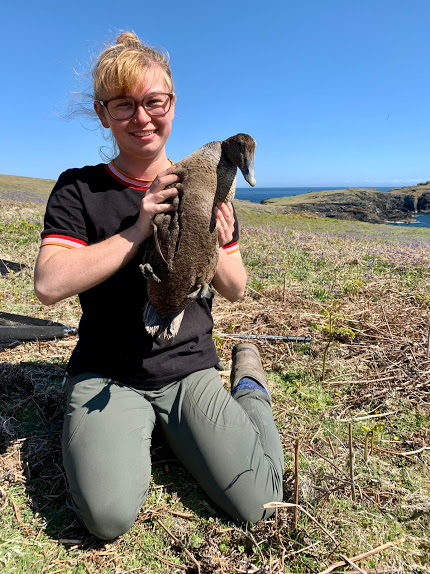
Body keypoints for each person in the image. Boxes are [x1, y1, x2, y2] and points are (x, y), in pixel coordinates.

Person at [34, 32, 284, 540]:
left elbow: (235, 288)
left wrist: (212, 237)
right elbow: (48, 283)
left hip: (188, 366)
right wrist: (138, 228)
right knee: (107, 517)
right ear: (104, 114)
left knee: (265, 505)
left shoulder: (205, 183)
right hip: (109, 371)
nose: (142, 117)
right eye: (124, 105)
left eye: (154, 102)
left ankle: (250, 385)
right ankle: (141, 429)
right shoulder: (80, 188)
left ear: (172, 104)